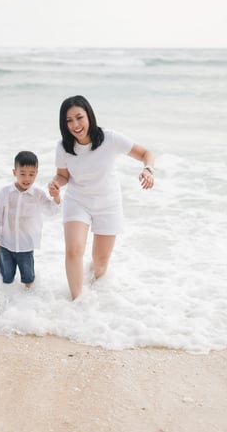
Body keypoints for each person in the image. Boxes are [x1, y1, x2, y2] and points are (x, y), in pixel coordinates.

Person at [48, 95, 155, 300]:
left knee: (100, 262)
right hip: (77, 201)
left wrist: (148, 170)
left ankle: (97, 291)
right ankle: (77, 301)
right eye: (69, 120)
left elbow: (145, 153)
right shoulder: (63, 147)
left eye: (79, 117)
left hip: (108, 203)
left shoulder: (110, 138)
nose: (75, 125)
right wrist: (56, 185)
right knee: (73, 250)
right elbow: (63, 176)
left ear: (89, 115)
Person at [0, 150, 60, 288]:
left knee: (28, 279)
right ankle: (5, 301)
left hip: (26, 246)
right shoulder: (5, 192)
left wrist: (56, 197)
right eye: (22, 173)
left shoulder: (38, 194)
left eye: (31, 174)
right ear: (14, 172)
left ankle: (27, 302)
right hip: (6, 244)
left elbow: (51, 210)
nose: (27, 178)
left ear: (36, 174)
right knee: (6, 278)